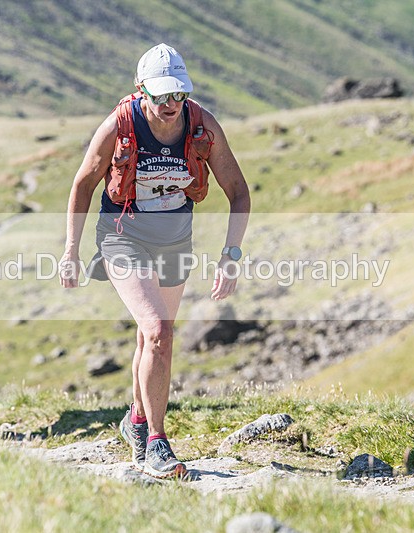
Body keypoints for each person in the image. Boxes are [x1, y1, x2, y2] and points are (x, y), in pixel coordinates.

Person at [59, 44, 250, 478]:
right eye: (161, 95)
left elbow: (238, 191)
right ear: (140, 88)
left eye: (178, 95)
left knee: (152, 339)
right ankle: (158, 444)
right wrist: (71, 249)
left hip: (174, 240)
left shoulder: (202, 125)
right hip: (122, 237)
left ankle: (137, 421)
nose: (170, 105)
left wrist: (231, 255)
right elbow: (83, 184)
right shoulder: (118, 126)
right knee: (159, 329)